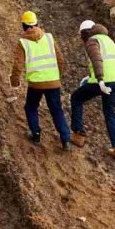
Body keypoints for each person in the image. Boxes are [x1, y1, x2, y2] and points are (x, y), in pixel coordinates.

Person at [11, 10, 71, 151]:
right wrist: (57, 76)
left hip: (36, 83)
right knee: (56, 109)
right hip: (53, 81)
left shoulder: (22, 42)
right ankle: (66, 139)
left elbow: (17, 65)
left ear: (23, 26)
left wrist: (14, 81)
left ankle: (36, 134)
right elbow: (60, 59)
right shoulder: (49, 37)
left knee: (31, 107)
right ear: (37, 23)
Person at [70, 20, 115, 163]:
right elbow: (108, 62)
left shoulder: (92, 40)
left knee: (76, 98)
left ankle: (78, 134)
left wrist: (99, 79)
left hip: (102, 80)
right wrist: (90, 77)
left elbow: (97, 60)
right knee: (110, 112)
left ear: (85, 32)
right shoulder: (108, 40)